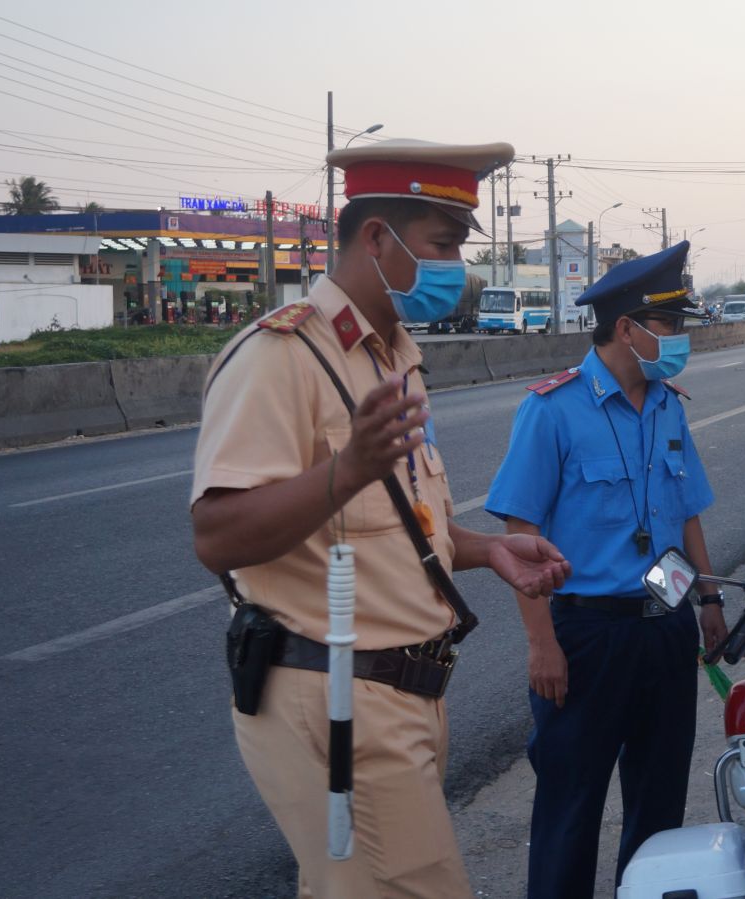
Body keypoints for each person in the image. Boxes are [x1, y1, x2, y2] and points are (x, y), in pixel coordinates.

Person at [190, 138, 572, 898]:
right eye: (442, 244)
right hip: (335, 698)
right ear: (376, 239)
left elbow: (399, 529)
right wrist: (348, 467)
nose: (455, 267)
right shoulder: (282, 355)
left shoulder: (393, 354)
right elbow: (216, 537)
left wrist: (488, 550)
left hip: (404, 697)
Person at [485, 241, 726, 899]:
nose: (681, 339)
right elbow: (519, 534)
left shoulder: (669, 405)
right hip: (587, 638)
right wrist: (542, 645)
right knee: (570, 811)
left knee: (659, 812)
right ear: (628, 328)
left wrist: (709, 601)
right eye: (672, 325)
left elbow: (689, 513)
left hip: (666, 628)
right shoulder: (552, 410)